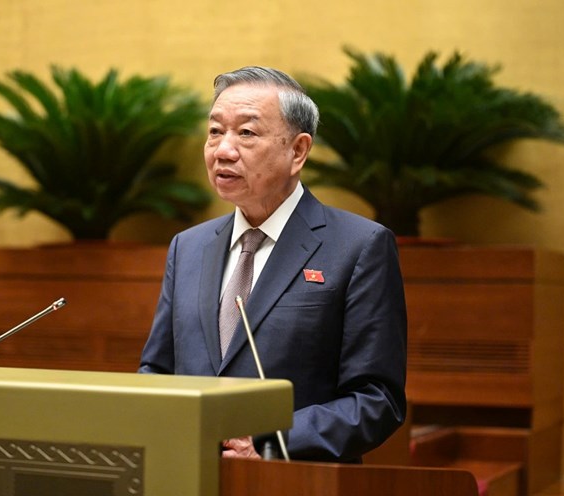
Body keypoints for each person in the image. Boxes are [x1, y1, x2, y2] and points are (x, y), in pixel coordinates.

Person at [138, 66, 407, 462]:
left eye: (246, 133)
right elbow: (156, 372)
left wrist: (271, 441)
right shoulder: (188, 247)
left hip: (295, 481)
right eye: (215, 131)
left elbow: (377, 399)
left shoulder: (360, 246)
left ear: (297, 151)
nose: (223, 150)